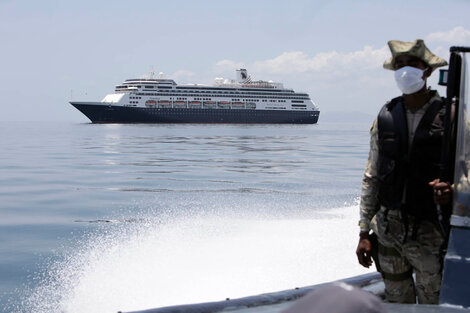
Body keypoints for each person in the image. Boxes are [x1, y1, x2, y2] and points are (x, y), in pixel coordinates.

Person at [355, 39, 452, 304]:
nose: (405, 70)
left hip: (432, 231)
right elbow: (371, 176)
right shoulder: (386, 114)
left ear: (427, 70)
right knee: (397, 302)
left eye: (412, 64)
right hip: (388, 232)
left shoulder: (452, 116)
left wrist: (454, 190)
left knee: (434, 301)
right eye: (399, 65)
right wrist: (364, 232)